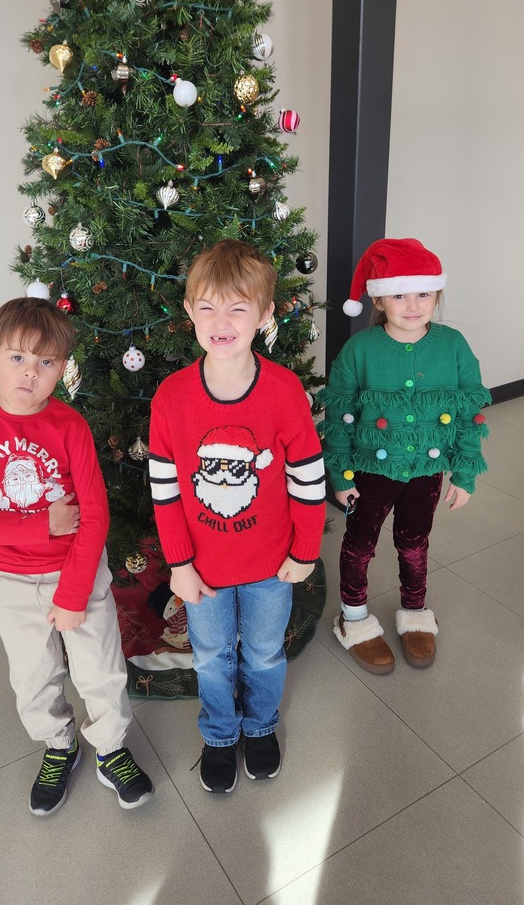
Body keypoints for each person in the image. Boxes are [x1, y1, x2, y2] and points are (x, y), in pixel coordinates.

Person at [0, 297, 153, 816]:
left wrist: (73, 592)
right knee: (33, 676)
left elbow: (96, 518)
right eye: (18, 358)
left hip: (76, 573)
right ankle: (59, 745)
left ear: (63, 370)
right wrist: (42, 523)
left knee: (100, 671)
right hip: (13, 579)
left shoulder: (70, 427)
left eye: (47, 363)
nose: (30, 373)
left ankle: (110, 749)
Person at [148, 240, 326, 793]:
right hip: (202, 570)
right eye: (207, 307)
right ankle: (221, 734)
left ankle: (261, 724)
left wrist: (305, 551)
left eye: (237, 308)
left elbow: (307, 479)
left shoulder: (284, 391)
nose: (220, 322)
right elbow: (165, 488)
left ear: (266, 314)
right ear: (189, 312)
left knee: (266, 652)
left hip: (274, 566)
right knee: (210, 657)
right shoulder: (172, 398)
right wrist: (178, 563)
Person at [319, 238, 490, 673]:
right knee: (360, 545)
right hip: (371, 470)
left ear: (436, 295)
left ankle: (415, 610)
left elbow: (471, 409)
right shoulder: (359, 351)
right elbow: (339, 414)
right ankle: (353, 618)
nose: (412, 305)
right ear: (378, 298)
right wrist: (340, 474)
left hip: (428, 470)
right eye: (399, 294)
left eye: (423, 294)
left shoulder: (453, 345)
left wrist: (464, 472)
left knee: (414, 542)